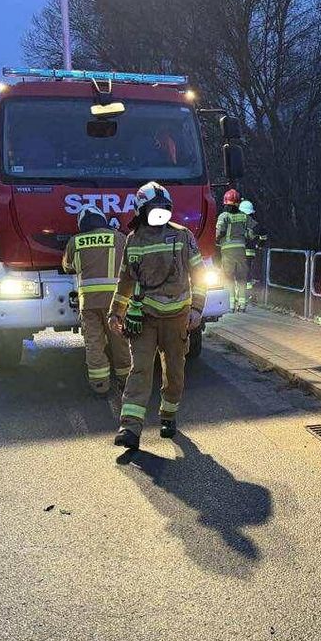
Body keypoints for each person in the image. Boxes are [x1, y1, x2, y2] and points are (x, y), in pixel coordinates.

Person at [109, 182, 207, 450]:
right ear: (142, 211)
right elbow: (125, 281)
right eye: (155, 209)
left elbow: (200, 275)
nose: (160, 213)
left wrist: (197, 309)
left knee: (174, 372)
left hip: (178, 318)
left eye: (164, 209)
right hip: (144, 317)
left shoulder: (183, 236)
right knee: (139, 369)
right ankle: (129, 427)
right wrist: (115, 312)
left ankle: (168, 415)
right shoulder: (133, 240)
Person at [62, 204, 131, 395]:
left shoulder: (75, 241)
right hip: (116, 302)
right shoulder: (119, 237)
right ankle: (126, 381)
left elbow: (68, 266)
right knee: (120, 341)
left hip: (89, 302)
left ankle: (100, 386)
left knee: (94, 343)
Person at [215, 188, 250, 312]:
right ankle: (242, 305)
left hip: (227, 251)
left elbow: (219, 232)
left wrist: (216, 241)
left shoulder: (223, 216)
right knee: (241, 278)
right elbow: (252, 233)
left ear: (225, 203)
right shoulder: (244, 216)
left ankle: (230, 306)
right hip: (241, 250)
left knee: (228, 278)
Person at [238, 198, 266, 300]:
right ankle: (248, 294)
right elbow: (264, 234)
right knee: (247, 273)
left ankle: (240, 294)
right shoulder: (254, 224)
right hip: (250, 253)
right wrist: (259, 245)